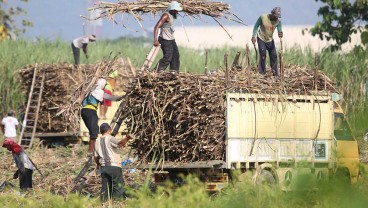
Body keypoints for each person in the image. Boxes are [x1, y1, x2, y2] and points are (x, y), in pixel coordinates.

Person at [81, 78, 123, 153]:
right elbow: (110, 97)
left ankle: (93, 150)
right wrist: (122, 97)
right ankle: (90, 152)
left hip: (84, 111)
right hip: (90, 111)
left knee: (93, 131)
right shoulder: (98, 91)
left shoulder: (89, 90)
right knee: (94, 132)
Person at [94, 123, 133, 201]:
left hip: (104, 167)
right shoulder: (110, 138)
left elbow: (96, 157)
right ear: (109, 130)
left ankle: (104, 203)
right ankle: (118, 203)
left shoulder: (97, 141)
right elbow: (120, 144)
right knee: (118, 187)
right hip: (114, 166)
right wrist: (127, 138)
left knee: (105, 188)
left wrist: (98, 165)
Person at [251, 7, 283, 77]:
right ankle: (262, 73)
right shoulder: (263, 17)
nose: (276, 18)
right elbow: (256, 26)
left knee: (274, 55)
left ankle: (275, 73)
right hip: (261, 38)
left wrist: (280, 33)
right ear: (272, 13)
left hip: (270, 40)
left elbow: (279, 29)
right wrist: (253, 36)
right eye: (275, 16)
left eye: (277, 17)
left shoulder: (278, 22)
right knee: (263, 54)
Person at [153, 1, 183, 72]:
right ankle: (157, 70)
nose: (177, 12)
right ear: (172, 9)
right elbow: (156, 27)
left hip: (171, 39)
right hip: (164, 39)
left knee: (175, 56)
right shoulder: (166, 16)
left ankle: (174, 71)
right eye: (176, 10)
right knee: (167, 57)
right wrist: (155, 40)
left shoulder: (173, 15)